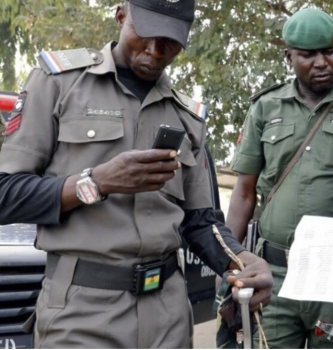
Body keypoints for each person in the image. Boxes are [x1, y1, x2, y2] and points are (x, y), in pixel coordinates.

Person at [0, 0, 273, 347]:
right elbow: (5, 193)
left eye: (171, 41)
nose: (156, 50)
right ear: (120, 15)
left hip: (168, 315)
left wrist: (242, 261)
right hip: (82, 311)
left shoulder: (187, 116)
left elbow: (201, 222)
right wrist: (96, 183)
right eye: (145, 32)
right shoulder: (58, 83)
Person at [226, 8, 333, 348]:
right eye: (308, 55)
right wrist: (230, 266)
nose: (322, 62)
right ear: (289, 57)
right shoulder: (265, 108)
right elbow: (244, 194)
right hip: (274, 274)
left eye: (329, 52)